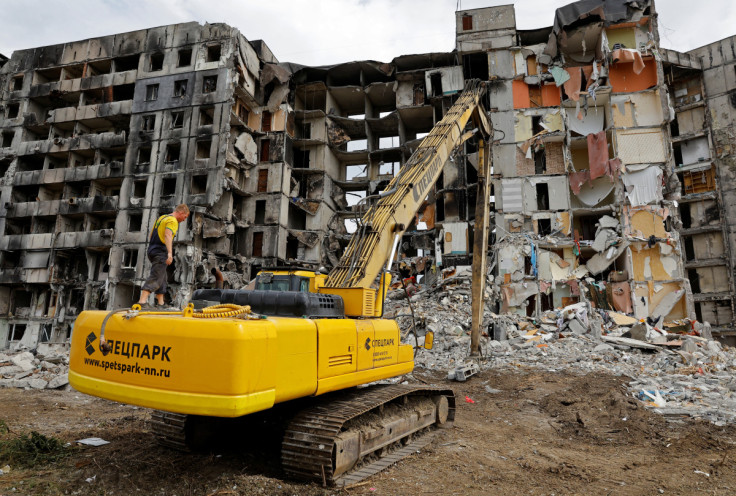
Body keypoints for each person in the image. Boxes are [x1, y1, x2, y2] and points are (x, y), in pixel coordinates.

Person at [137, 204, 190, 308]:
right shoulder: (173, 221)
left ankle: (161, 303)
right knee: (156, 276)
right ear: (181, 212)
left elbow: (152, 234)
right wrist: (170, 253)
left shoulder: (162, 217)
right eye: (185, 217)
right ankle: (142, 301)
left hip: (152, 249)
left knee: (162, 276)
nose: (184, 220)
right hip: (160, 250)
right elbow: (167, 235)